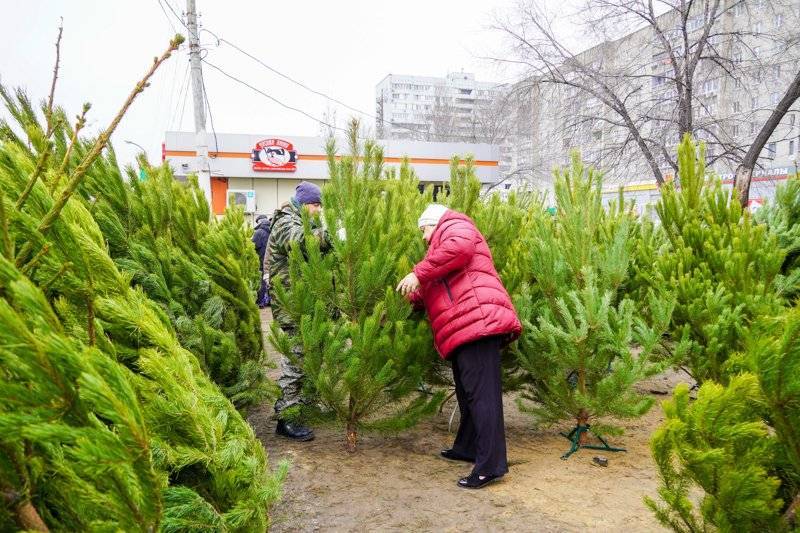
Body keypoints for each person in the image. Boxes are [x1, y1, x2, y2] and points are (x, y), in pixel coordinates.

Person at [396, 203, 521, 489]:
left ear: (434, 222)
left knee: (483, 398)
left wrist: (417, 273)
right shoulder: (440, 245)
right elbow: (433, 285)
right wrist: (406, 299)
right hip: (464, 326)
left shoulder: (456, 226)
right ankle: (466, 447)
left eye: (424, 230)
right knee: (468, 394)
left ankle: (490, 466)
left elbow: (459, 250)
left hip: (478, 322)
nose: (424, 238)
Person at [267, 181, 331, 441]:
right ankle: (286, 418)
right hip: (292, 303)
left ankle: (302, 406)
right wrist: (330, 235)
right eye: (316, 205)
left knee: (312, 357)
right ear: (304, 204)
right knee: (296, 361)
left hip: (309, 302)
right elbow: (301, 242)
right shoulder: (285, 222)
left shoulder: (308, 221)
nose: (318, 210)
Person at [252, 214, 271, 308]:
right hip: (272, 260)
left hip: (261, 260)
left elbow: (252, 247)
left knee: (261, 281)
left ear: (259, 222)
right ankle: (270, 301)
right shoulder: (272, 230)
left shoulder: (258, 232)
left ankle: (260, 302)